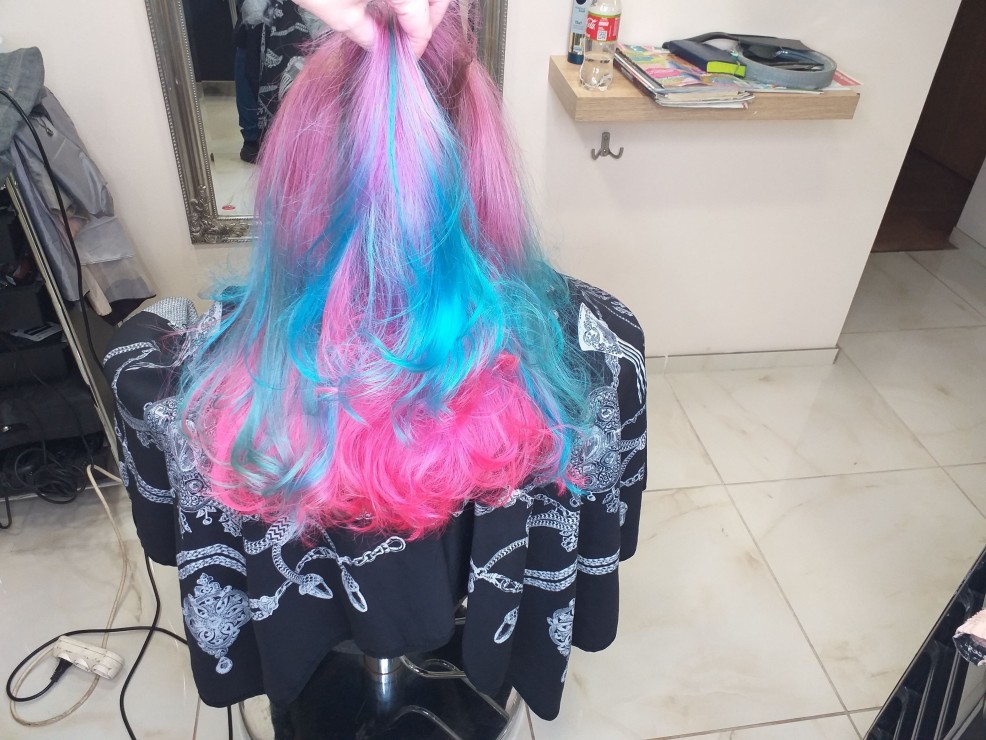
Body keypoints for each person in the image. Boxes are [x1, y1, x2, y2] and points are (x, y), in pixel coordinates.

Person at [104, 1, 646, 736]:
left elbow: (146, 367)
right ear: (483, 170)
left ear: (297, 178)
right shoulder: (593, 356)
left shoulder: (179, 385)